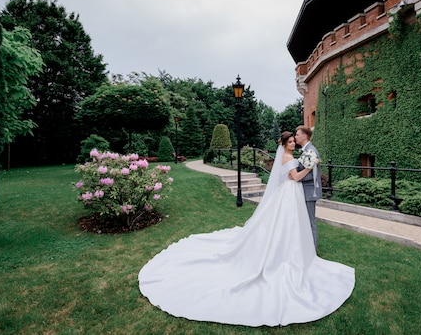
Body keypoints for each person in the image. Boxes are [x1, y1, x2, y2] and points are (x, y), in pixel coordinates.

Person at [138, 132, 355, 327]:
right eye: (290, 142)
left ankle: (297, 250)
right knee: (285, 225)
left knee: (293, 225)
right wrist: (309, 165)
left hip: (292, 195)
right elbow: (295, 177)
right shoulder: (287, 158)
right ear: (285, 144)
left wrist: (307, 163)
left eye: (293, 141)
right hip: (290, 192)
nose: (292, 144)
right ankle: (284, 253)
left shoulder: (289, 156)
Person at [294, 125, 322, 249]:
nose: (295, 137)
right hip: (304, 191)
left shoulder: (311, 151)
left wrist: (298, 178)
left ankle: (313, 250)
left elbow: (313, 175)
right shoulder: (306, 151)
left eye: (297, 134)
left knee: (310, 222)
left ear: (304, 136)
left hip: (309, 191)